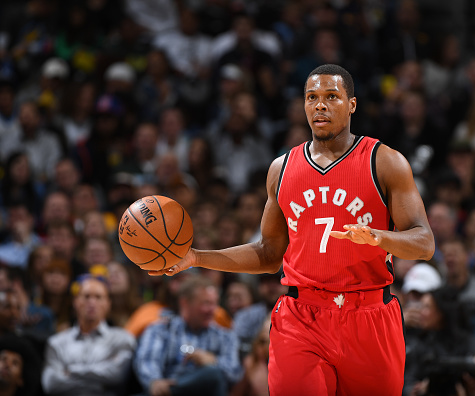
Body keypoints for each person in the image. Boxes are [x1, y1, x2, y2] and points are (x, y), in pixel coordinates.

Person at [148, 64, 435, 395]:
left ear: (352, 104)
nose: (320, 105)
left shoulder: (384, 162)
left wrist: (380, 237)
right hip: (302, 317)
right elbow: (269, 253)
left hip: (369, 314)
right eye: (312, 97)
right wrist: (197, 257)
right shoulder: (281, 169)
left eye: (331, 97)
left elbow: (424, 242)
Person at [133, 275, 242, 396]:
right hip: (164, 389)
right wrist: (155, 381)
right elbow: (147, 361)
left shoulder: (225, 336)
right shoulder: (161, 329)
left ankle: (173, 390)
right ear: (184, 303)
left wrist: (213, 361)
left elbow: (234, 373)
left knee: (212, 374)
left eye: (215, 303)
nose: (213, 310)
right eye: (206, 303)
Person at [41, 274, 136, 396]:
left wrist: (71, 371)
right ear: (75, 302)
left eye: (98, 297)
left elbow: (117, 375)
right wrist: (99, 384)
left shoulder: (122, 338)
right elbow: (50, 384)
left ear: (108, 304)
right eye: (86, 297)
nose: (92, 302)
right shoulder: (56, 342)